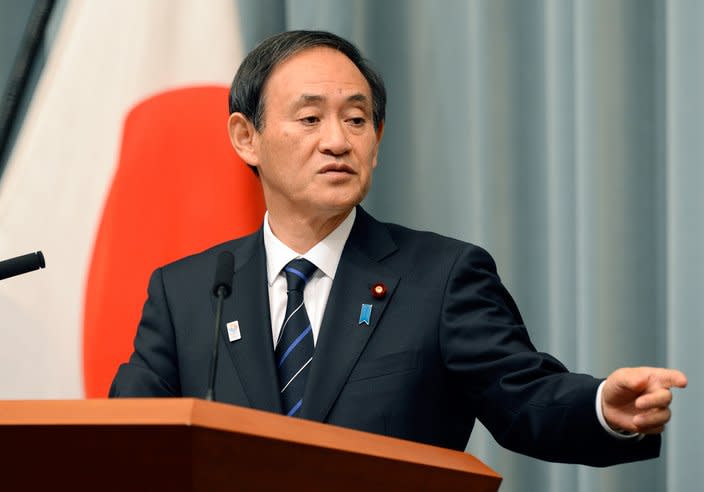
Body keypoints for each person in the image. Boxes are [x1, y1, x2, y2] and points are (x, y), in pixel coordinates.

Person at [110, 30, 687, 466]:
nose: (337, 140)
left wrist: (603, 410)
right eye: (310, 118)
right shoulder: (188, 292)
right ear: (247, 136)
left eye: (357, 120)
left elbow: (525, 398)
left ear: (376, 141)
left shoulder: (440, 277)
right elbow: (124, 445)